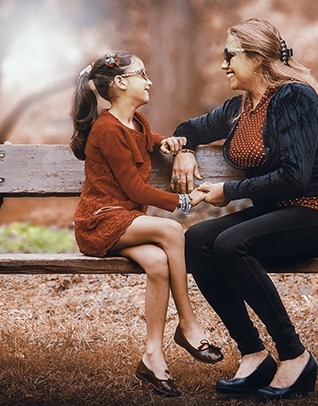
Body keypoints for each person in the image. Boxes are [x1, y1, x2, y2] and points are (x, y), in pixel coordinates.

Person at [162, 18, 318, 400]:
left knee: (232, 243)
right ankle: (253, 352)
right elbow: (190, 126)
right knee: (197, 239)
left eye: (229, 55)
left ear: (257, 57)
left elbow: (295, 178)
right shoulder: (240, 107)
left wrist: (229, 190)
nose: (223, 65)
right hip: (280, 212)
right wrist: (184, 150)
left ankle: (294, 356)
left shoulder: (295, 98)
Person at [69, 51, 223, 397]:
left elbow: (147, 142)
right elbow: (135, 189)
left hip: (125, 220)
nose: (149, 80)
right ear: (121, 83)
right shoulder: (105, 129)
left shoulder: (136, 122)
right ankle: (188, 324)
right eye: (142, 74)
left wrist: (169, 144)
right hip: (99, 221)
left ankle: (152, 356)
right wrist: (187, 200)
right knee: (171, 230)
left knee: (157, 263)